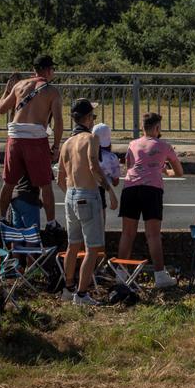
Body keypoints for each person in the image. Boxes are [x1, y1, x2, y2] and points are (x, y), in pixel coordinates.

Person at [0, 55, 63, 234]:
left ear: (34, 70)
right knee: (45, 183)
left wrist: (6, 89)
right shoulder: (52, 91)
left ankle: (2, 218)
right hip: (35, 138)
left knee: (9, 181)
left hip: (15, 137)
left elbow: (2, 108)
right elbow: (58, 121)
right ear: (48, 70)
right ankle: (51, 222)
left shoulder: (19, 86)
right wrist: (56, 147)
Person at [57, 99, 115, 306]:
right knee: (93, 248)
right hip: (87, 194)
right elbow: (93, 166)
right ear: (88, 118)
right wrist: (110, 190)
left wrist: (72, 194)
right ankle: (81, 294)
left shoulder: (66, 143)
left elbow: (59, 178)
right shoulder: (90, 139)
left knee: (73, 245)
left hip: (70, 194)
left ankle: (68, 286)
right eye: (93, 116)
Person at [117, 112, 183, 289]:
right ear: (157, 128)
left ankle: (121, 272)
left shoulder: (133, 143)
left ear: (142, 127)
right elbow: (179, 171)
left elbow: (129, 165)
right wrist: (163, 170)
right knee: (153, 234)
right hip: (151, 189)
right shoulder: (164, 146)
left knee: (127, 233)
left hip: (130, 187)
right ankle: (160, 275)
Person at [92, 123, 122, 229]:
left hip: (83, 187)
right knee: (99, 227)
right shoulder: (111, 158)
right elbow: (115, 182)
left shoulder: (85, 152)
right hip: (100, 191)